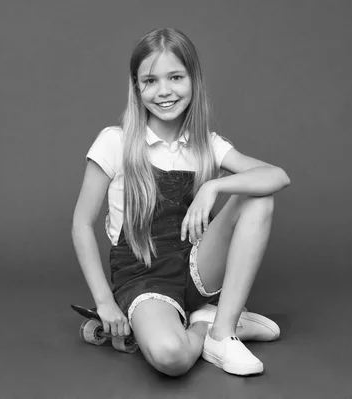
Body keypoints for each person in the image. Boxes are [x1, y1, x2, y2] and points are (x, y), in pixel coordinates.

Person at [71, 28, 290, 377]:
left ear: (194, 80)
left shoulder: (207, 144)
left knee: (258, 198)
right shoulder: (115, 142)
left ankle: (222, 333)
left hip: (196, 266)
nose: (164, 91)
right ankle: (208, 321)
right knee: (170, 357)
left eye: (175, 77)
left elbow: (277, 176)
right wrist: (105, 304)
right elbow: (81, 224)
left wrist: (213, 188)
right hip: (143, 278)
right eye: (150, 80)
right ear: (136, 87)